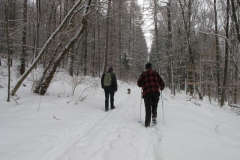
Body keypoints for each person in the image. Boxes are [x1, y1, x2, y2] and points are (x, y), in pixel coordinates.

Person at [137, 63, 165, 127]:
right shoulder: (156, 73)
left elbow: (138, 83)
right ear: (151, 67)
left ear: (146, 68)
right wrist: (161, 88)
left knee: (148, 108)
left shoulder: (143, 74)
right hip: (156, 93)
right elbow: (162, 83)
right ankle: (154, 116)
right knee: (155, 105)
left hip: (147, 93)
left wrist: (142, 84)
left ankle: (147, 123)